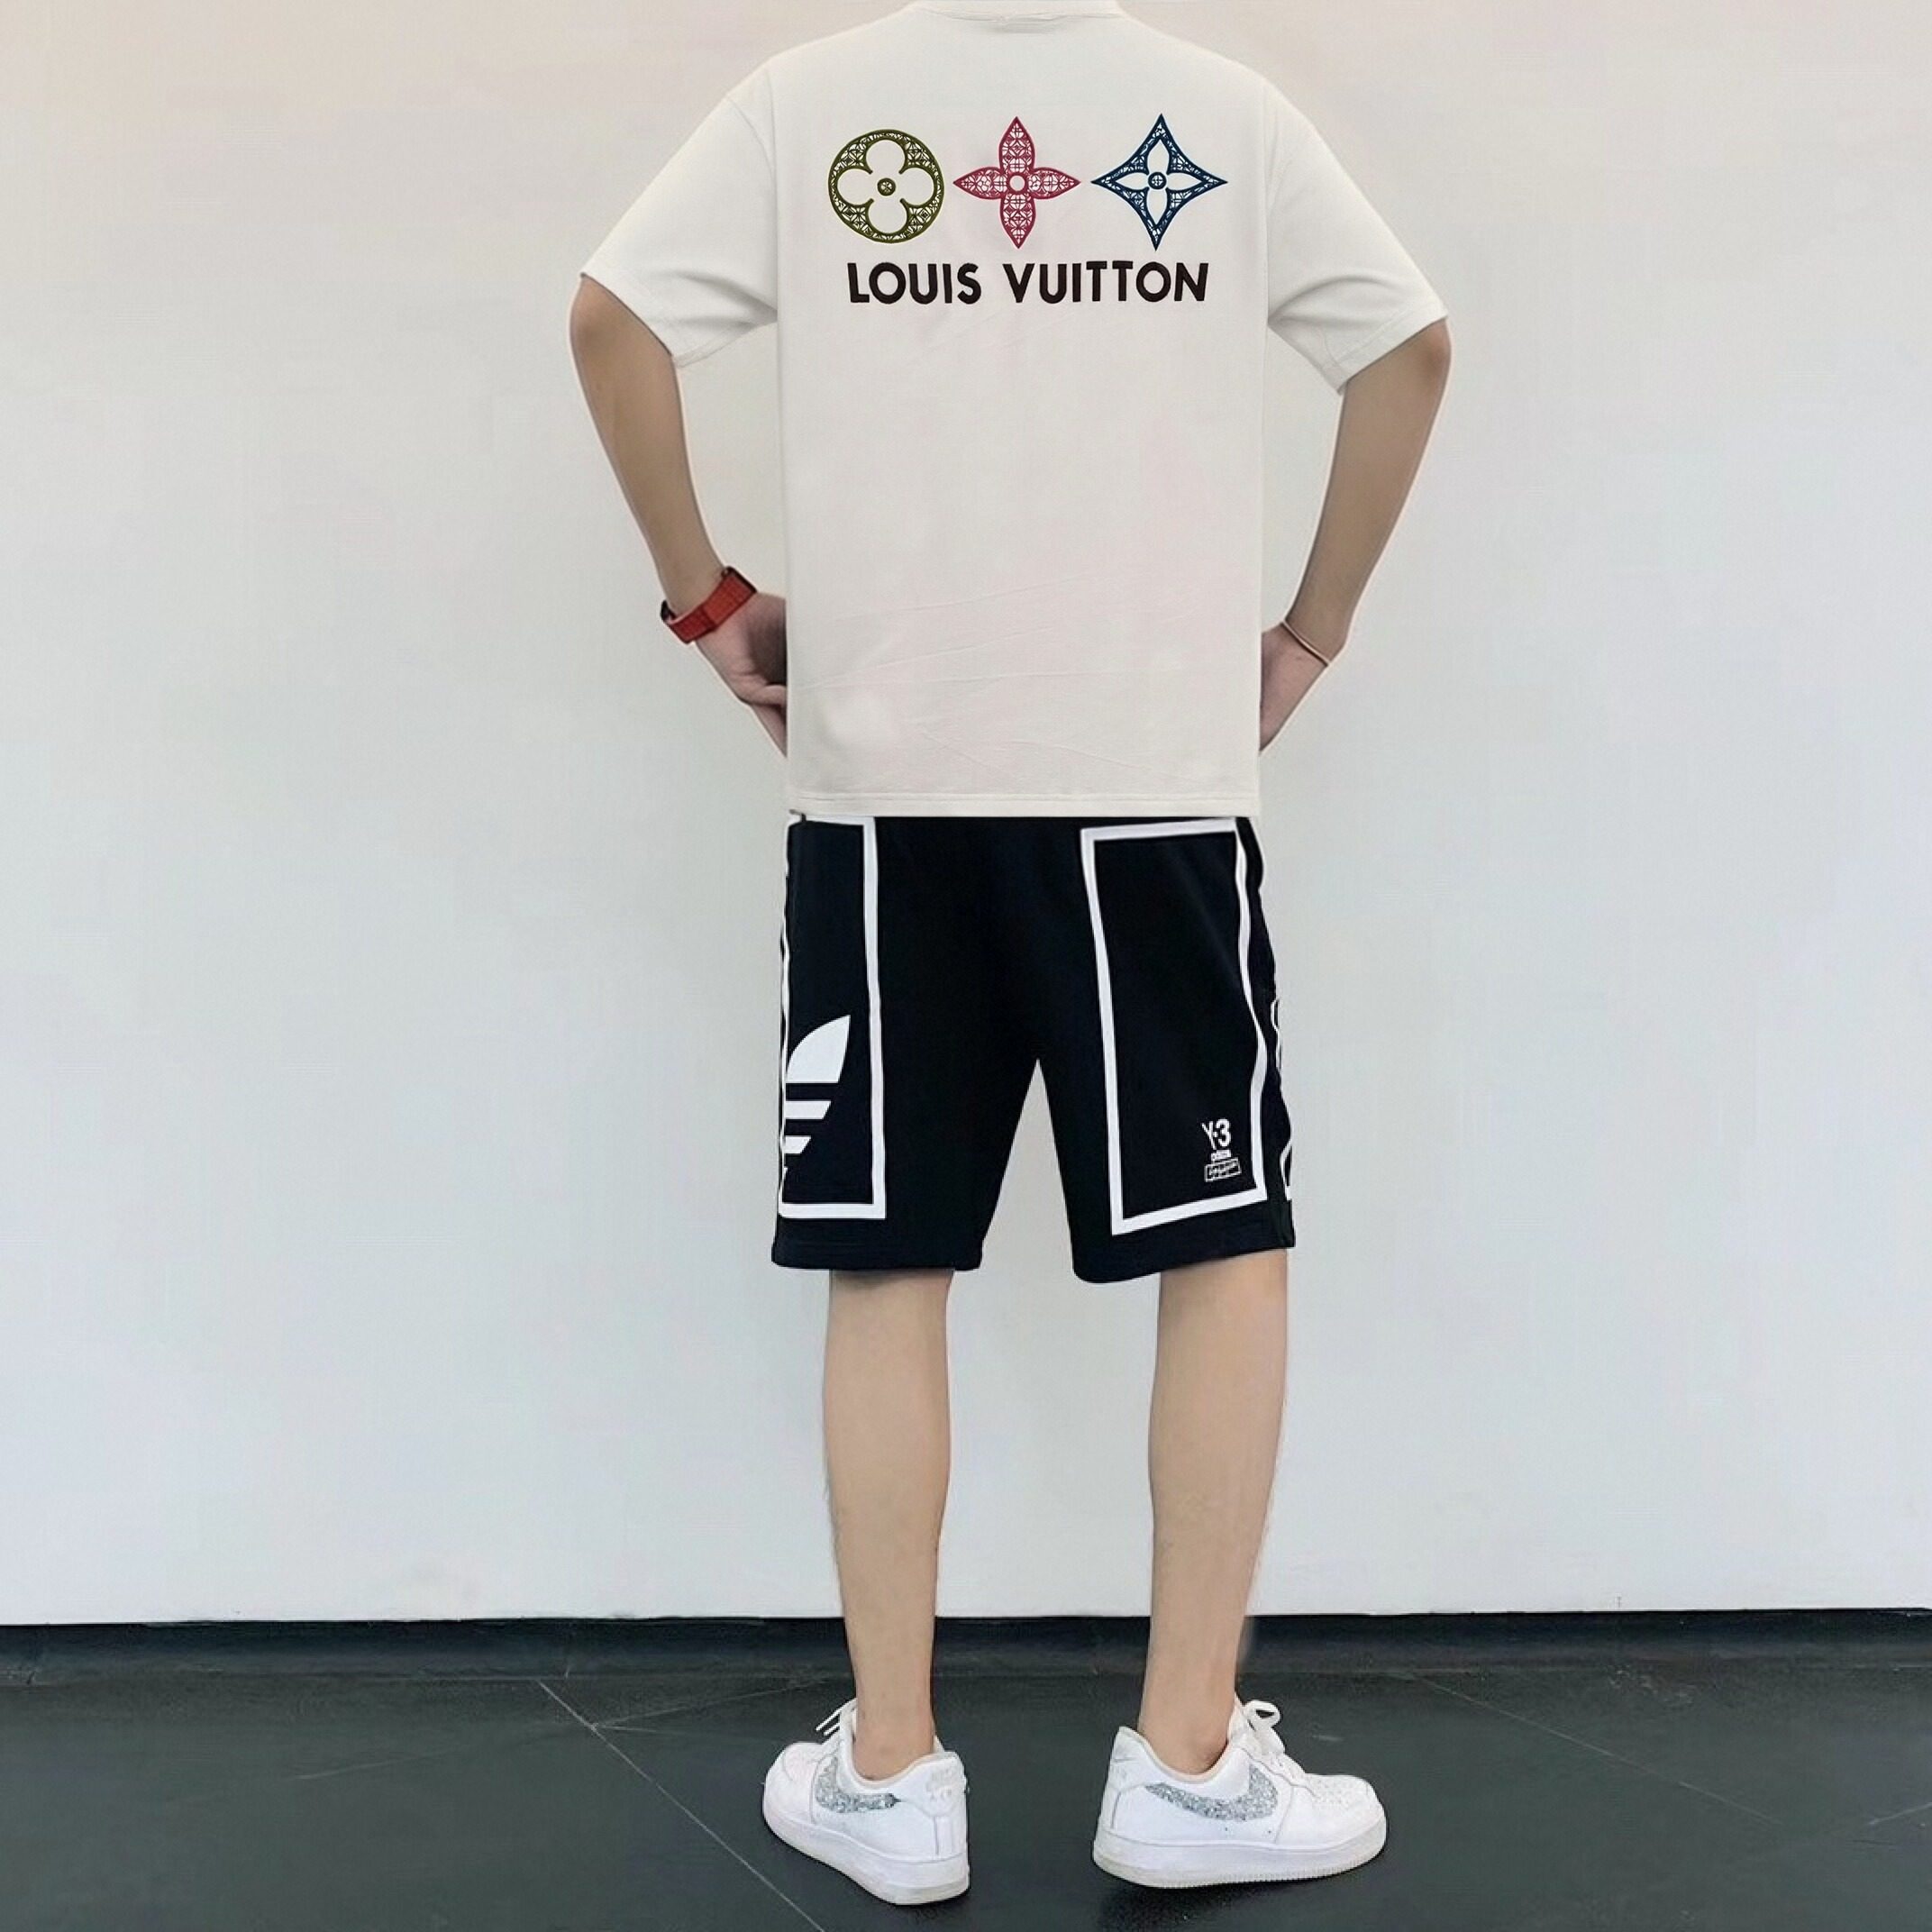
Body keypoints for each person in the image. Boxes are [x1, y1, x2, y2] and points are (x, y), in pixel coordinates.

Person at [570, 0, 1448, 1904]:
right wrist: (1309, 632)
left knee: (890, 1260)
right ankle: (1189, 1764)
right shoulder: (1217, 112)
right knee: (1217, 1247)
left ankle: (891, 1775)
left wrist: (707, 601)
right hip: (1146, 785)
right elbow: (1408, 350)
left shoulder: (810, 102)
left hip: (888, 792)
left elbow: (610, 323)